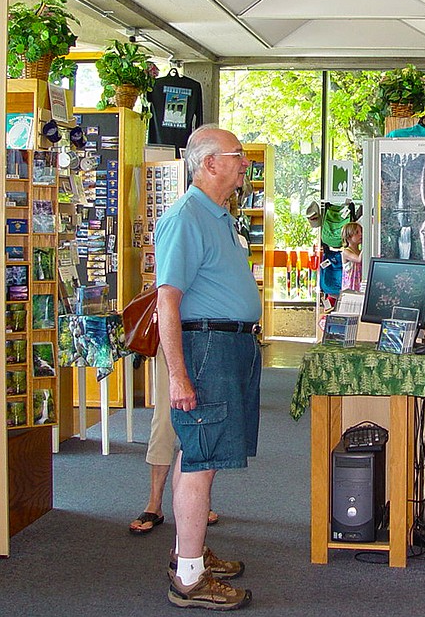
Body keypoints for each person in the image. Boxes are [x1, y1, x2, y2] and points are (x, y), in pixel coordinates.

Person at [156, 125, 262, 610]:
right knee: (200, 457)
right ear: (209, 163)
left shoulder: (217, 215)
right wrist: (178, 374)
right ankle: (190, 579)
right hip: (206, 349)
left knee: (200, 453)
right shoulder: (186, 216)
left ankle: (188, 554)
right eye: (237, 155)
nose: (245, 162)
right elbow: (167, 302)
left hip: (227, 346)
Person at [128, 348, 219, 535]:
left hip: (209, 336)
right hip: (171, 341)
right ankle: (154, 504)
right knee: (164, 420)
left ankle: (198, 500)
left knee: (203, 422)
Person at [340, 221, 363, 292]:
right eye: (357, 233)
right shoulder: (346, 252)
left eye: (361, 232)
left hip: (360, 286)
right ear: (348, 237)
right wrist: (367, 243)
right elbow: (358, 259)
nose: (361, 234)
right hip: (350, 288)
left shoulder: (360, 251)